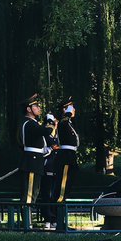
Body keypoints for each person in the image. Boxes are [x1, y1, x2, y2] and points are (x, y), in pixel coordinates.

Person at [18, 94, 54, 231]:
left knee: (34, 193)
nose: (39, 108)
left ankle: (29, 222)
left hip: (35, 161)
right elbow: (45, 131)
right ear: (29, 109)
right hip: (31, 162)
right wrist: (50, 123)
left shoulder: (31, 123)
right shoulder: (29, 123)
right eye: (36, 106)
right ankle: (27, 224)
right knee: (29, 194)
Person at [52, 98, 79, 233]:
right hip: (65, 158)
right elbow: (63, 121)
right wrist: (67, 113)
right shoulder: (63, 122)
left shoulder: (69, 123)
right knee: (61, 191)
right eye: (71, 108)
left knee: (66, 189)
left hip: (70, 157)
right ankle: (58, 222)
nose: (73, 110)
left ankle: (61, 221)